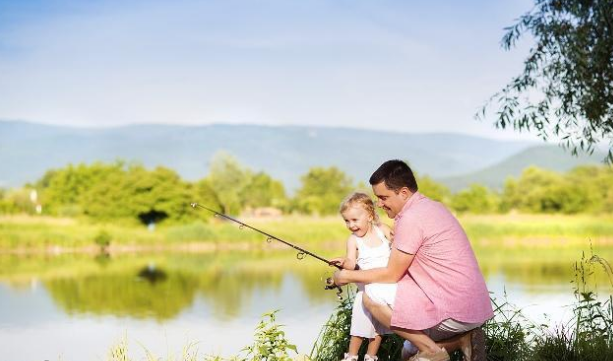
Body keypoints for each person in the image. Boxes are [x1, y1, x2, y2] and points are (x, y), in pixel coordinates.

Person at [333, 160, 493, 361]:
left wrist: (347, 275)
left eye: (383, 197)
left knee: (371, 295)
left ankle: (434, 351)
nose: (379, 204)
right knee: (408, 353)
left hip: (453, 311)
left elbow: (391, 275)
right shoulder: (433, 207)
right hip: (471, 309)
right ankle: (461, 341)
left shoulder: (411, 218)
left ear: (404, 193)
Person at [331, 192, 401, 361]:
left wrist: (395, 238)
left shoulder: (382, 229)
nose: (351, 225)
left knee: (378, 327)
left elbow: (397, 241)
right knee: (360, 324)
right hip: (366, 288)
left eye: (355, 220)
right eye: (347, 221)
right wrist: (343, 263)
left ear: (369, 216)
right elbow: (351, 262)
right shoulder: (353, 240)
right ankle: (352, 356)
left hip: (386, 285)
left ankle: (371, 356)